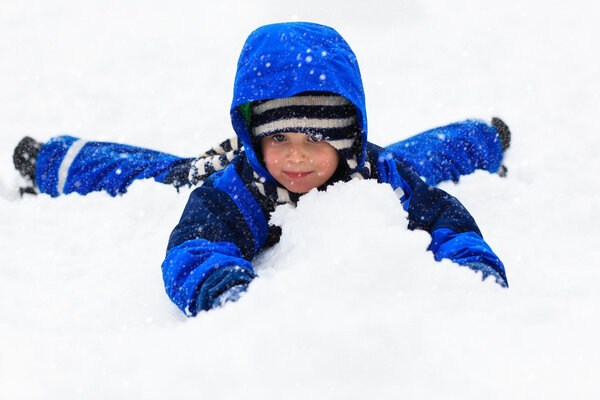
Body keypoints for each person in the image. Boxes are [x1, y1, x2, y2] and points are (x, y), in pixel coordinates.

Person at [12, 22, 510, 316]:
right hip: (218, 168)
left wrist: (470, 267)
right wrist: (222, 288)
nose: (296, 157)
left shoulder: (375, 170)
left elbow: (443, 216)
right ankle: (56, 160)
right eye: (278, 138)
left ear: (346, 138)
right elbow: (197, 244)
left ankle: (482, 136)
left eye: (316, 139)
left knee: (420, 161)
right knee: (152, 177)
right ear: (256, 138)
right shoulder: (236, 188)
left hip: (374, 159)